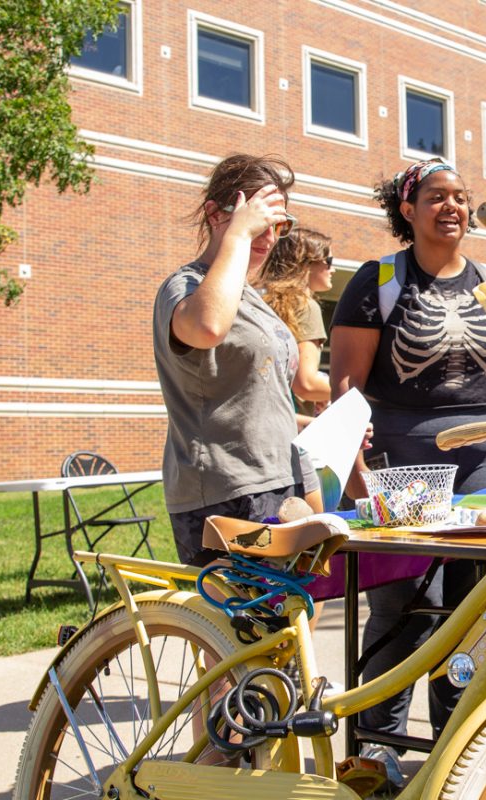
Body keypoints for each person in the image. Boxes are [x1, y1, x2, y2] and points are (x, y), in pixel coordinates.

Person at [329, 157, 486, 776]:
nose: (451, 206)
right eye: (435, 196)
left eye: (460, 196)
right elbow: (346, 384)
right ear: (408, 209)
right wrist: (356, 473)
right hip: (404, 457)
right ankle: (381, 751)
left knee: (476, 611)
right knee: (401, 609)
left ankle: (459, 751)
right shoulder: (375, 280)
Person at [152, 153, 321, 567]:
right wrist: (238, 236)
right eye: (259, 222)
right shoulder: (187, 286)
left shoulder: (254, 299)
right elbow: (206, 327)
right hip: (228, 488)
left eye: (278, 226)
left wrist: (320, 435)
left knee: (294, 618)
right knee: (241, 628)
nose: (268, 236)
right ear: (215, 213)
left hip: (283, 478)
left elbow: (258, 400)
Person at [256, 227, 336, 416]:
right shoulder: (305, 306)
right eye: (329, 261)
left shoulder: (259, 300)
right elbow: (306, 384)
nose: (333, 269)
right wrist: (365, 391)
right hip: (287, 429)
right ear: (306, 263)